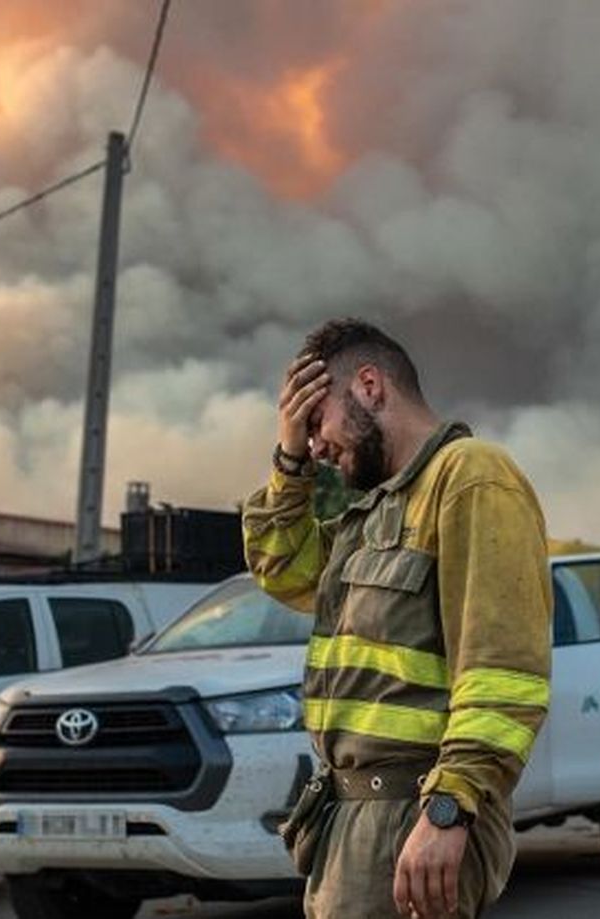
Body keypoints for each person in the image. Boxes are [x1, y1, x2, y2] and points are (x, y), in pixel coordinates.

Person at [242, 319, 552, 919]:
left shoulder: (471, 477)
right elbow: (281, 568)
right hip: (349, 824)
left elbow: (503, 674)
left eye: (316, 422)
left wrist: (449, 809)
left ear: (369, 386)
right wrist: (288, 462)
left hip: (413, 817)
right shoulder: (377, 513)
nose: (315, 446)